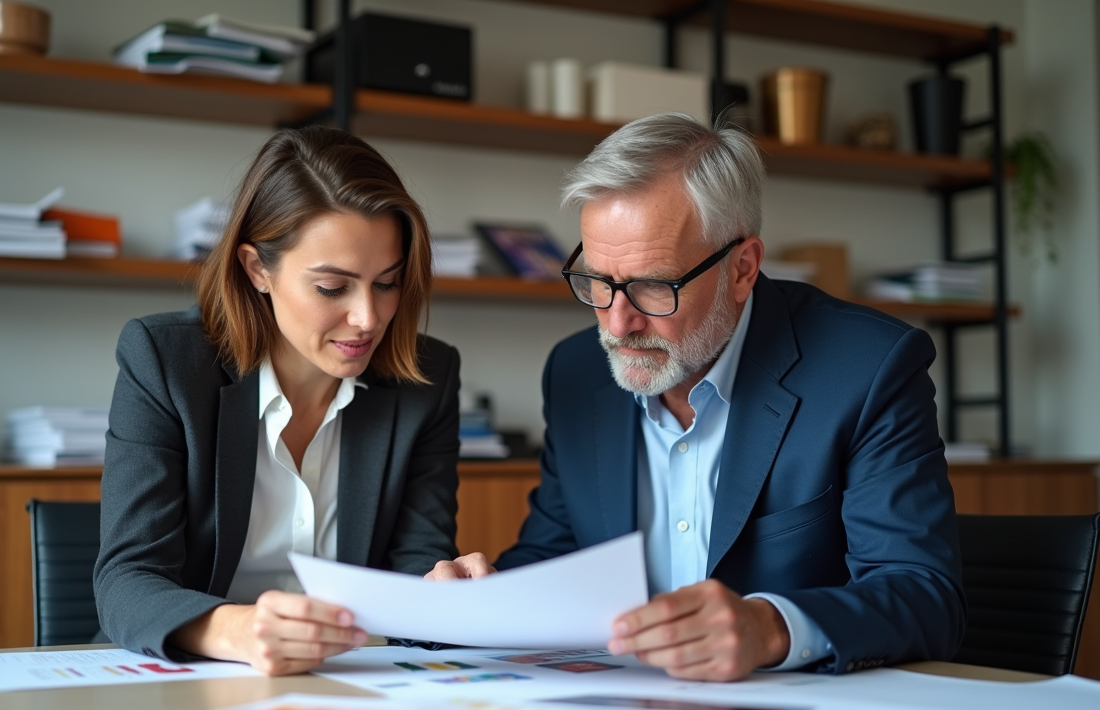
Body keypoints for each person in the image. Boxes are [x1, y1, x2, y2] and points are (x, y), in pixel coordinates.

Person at [428, 113, 965, 681]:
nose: (617, 322)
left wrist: (770, 627)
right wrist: (481, 600)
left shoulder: (869, 368)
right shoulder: (576, 372)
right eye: (597, 281)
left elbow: (924, 596)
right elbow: (558, 556)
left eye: (653, 284)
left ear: (742, 269)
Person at [96, 127, 461, 675]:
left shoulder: (427, 380)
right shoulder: (165, 363)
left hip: (350, 684)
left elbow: (416, 560)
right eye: (333, 288)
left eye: (387, 283)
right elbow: (127, 580)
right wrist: (235, 628)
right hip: (185, 677)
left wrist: (444, 592)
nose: (368, 318)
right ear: (257, 269)